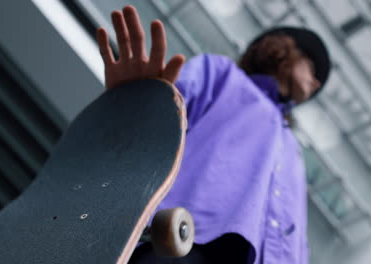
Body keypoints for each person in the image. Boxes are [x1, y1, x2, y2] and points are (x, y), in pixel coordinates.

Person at [96, 5, 331, 264]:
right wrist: (135, 99)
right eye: (312, 67)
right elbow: (155, 123)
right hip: (182, 241)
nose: (316, 83)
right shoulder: (221, 73)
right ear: (282, 51)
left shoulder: (293, 148)